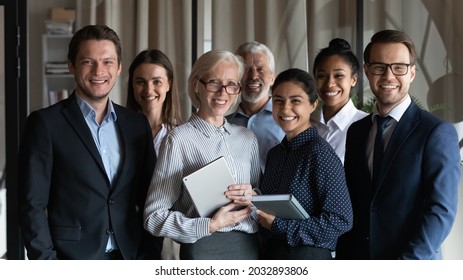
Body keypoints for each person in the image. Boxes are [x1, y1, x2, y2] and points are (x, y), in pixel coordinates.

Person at [17, 25, 156, 260]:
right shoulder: (45, 123)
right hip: (71, 260)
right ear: (71, 65)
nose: (98, 71)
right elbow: (32, 204)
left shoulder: (136, 125)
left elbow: (151, 199)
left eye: (108, 62)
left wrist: (147, 256)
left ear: (119, 67)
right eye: (88, 61)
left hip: (129, 257)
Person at [336, 29, 461, 260]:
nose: (389, 76)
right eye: (379, 67)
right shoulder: (357, 131)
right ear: (366, 70)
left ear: (412, 73)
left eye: (399, 67)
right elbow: (353, 202)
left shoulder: (435, 132)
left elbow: (441, 211)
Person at [143, 50, 261, 260]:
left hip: (250, 248)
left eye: (231, 84)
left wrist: (253, 197)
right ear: (197, 84)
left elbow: (260, 200)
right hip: (204, 249)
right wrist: (210, 225)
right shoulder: (178, 139)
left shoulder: (248, 138)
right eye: (214, 82)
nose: (223, 92)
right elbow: (153, 217)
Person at [256, 68, 353, 260]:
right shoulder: (275, 154)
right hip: (273, 255)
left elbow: (341, 220)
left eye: (295, 101)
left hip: (309, 256)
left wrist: (279, 226)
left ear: (313, 104)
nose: (285, 109)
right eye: (278, 101)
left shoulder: (319, 153)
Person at [126, 49, 182, 260]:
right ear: (132, 86)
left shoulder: (181, 135)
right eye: (140, 81)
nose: (148, 89)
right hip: (127, 232)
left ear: (169, 84)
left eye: (157, 81)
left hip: (167, 237)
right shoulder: (117, 132)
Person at [227, 41, 285, 172]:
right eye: (246, 69)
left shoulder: (288, 120)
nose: (253, 76)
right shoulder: (225, 124)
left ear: (272, 78)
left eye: (260, 69)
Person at [312, 38, 368, 163]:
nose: (330, 83)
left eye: (338, 76)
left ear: (353, 79)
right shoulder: (307, 125)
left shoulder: (367, 126)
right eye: (322, 76)